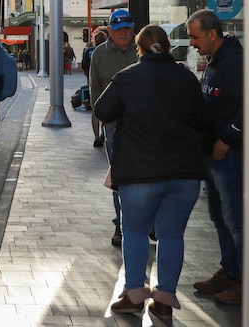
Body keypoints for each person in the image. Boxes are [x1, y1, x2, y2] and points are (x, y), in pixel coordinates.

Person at [94, 25, 208, 319]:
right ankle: (164, 301)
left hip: (140, 172)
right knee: (172, 235)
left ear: (139, 48)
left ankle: (134, 296)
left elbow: (102, 110)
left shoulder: (128, 77)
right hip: (184, 175)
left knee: (134, 230)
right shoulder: (186, 77)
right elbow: (203, 119)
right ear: (169, 47)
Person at [186, 8, 244, 305]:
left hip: (230, 155)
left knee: (235, 219)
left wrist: (228, 137)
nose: (192, 42)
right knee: (219, 216)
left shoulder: (233, 62)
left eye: (195, 36)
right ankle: (230, 271)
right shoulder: (215, 60)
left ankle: (246, 280)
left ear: (211, 34)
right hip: (212, 153)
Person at [89, 9, 138, 246]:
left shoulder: (142, 49)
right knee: (118, 178)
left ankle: (145, 223)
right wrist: (101, 120)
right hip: (114, 128)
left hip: (143, 128)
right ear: (109, 31)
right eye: (118, 29)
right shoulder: (99, 54)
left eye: (127, 28)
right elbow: (95, 92)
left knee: (145, 177)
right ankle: (121, 225)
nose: (124, 32)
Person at [85, 26, 109, 144]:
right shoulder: (105, 53)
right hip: (106, 84)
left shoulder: (89, 50)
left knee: (95, 110)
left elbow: (85, 65)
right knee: (108, 109)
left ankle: (96, 136)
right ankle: (104, 133)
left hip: (92, 82)